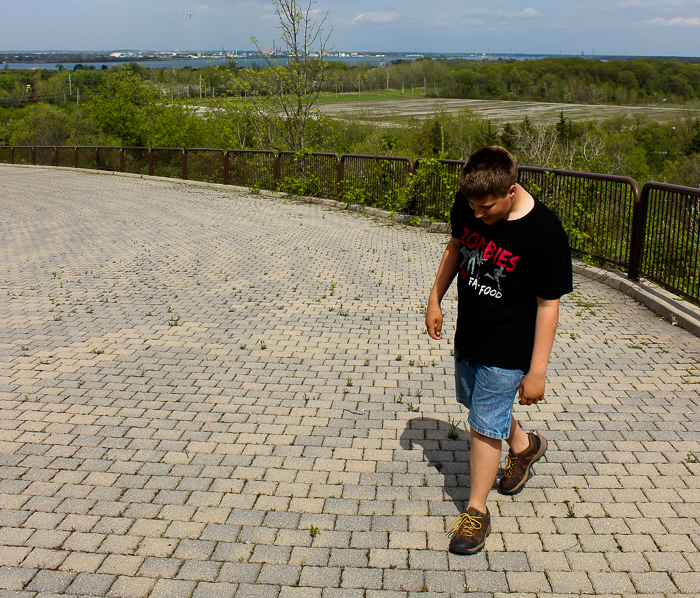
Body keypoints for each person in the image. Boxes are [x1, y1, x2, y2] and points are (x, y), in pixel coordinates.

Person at [425, 146, 572, 555]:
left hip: (511, 341)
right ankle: (525, 448)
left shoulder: (543, 231)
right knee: (477, 406)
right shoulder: (470, 202)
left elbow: (548, 304)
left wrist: (537, 370)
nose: (477, 215)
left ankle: (476, 512)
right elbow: (456, 247)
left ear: (511, 190)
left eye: (486, 207)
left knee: (483, 422)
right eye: (471, 206)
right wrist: (435, 298)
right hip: (471, 330)